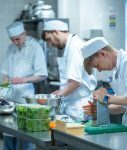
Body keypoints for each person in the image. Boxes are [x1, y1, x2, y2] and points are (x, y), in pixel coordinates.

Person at [81, 37, 127, 131]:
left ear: (102, 53)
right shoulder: (117, 71)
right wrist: (100, 110)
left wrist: (105, 98)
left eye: (97, 66)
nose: (100, 70)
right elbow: (124, 106)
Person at [1, 21, 48, 150]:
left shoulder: (35, 48)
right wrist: (3, 88)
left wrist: (23, 80)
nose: (15, 42)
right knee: (9, 134)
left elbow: (42, 75)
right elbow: (5, 73)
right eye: (12, 40)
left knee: (26, 136)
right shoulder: (11, 48)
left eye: (17, 39)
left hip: (25, 100)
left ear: (24, 34)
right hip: (10, 101)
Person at [42, 20, 97, 121]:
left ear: (56, 32)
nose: (50, 44)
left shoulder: (74, 46)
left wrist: (58, 95)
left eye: (49, 39)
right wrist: (62, 91)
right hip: (75, 104)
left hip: (79, 107)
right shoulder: (71, 45)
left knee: (76, 136)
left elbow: (75, 82)